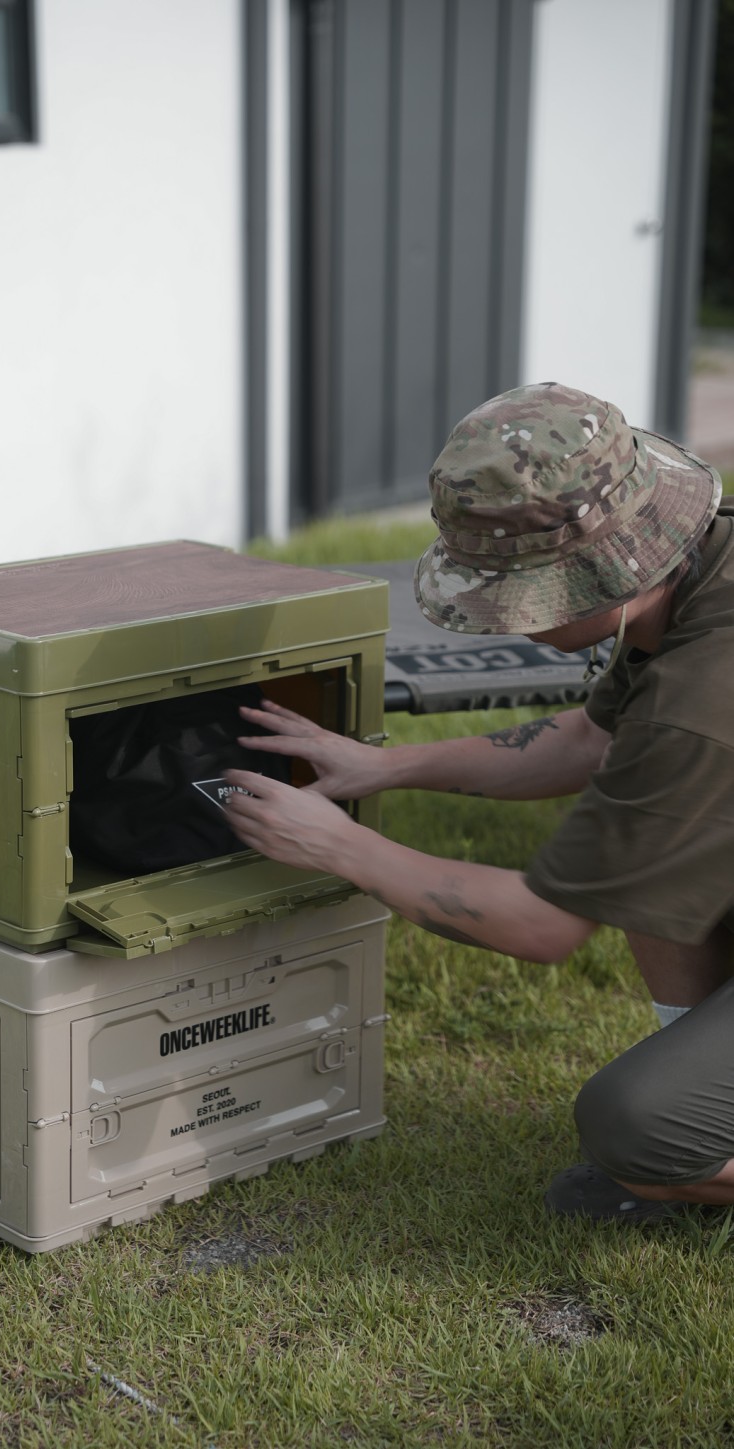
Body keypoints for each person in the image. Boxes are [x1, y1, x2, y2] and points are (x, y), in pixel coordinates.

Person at [223, 380, 734, 1222]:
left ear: (614, 569)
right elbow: (590, 741)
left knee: (634, 1126)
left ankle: (687, 1152)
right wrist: (378, 768)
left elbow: (543, 923)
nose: (502, 617)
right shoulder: (698, 578)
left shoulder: (706, 695)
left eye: (519, 589)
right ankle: (705, 1117)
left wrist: (336, 846)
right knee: (632, 847)